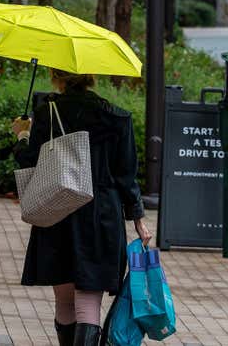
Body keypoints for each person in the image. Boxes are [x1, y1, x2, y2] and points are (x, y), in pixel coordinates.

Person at [12, 70, 152, 345]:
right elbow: (126, 174)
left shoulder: (48, 113)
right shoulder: (117, 116)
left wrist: (22, 135)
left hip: (57, 211)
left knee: (64, 298)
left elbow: (29, 161)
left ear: (56, 76)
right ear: (91, 77)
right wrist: (137, 218)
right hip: (101, 215)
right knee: (89, 298)